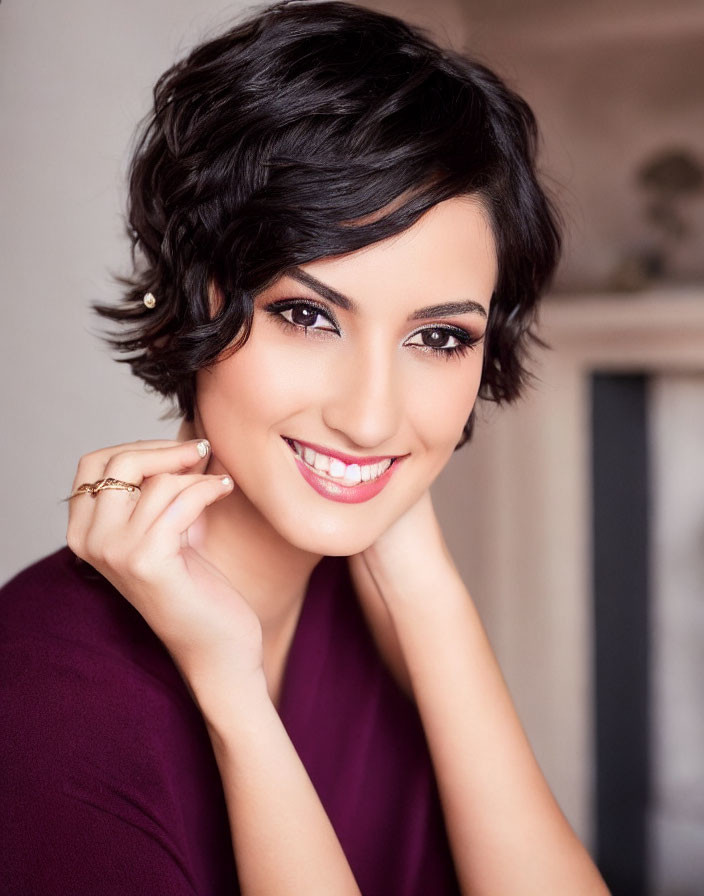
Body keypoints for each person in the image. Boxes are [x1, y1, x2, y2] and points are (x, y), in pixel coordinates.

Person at [0, 1, 610, 893]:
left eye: (439, 338)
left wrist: (422, 580)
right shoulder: (47, 709)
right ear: (196, 294)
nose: (369, 417)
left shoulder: (375, 613)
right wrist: (234, 698)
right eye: (306, 315)